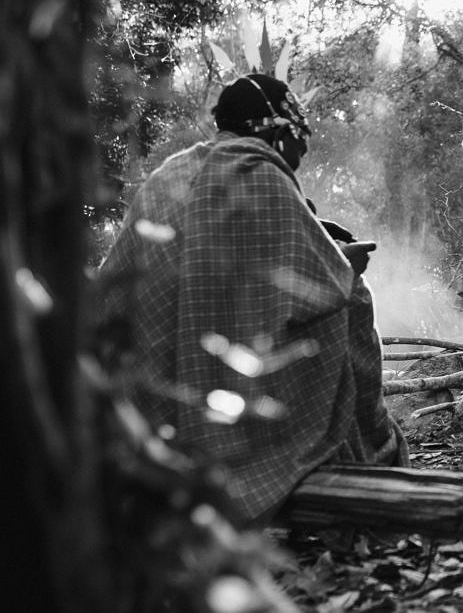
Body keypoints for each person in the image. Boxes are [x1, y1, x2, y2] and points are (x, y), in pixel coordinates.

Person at [98, 73, 407, 523]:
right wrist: (345, 264)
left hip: (153, 407)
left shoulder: (171, 174)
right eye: (298, 142)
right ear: (278, 134)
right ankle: (365, 454)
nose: (300, 156)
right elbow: (320, 291)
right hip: (233, 414)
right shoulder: (257, 171)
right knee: (351, 302)